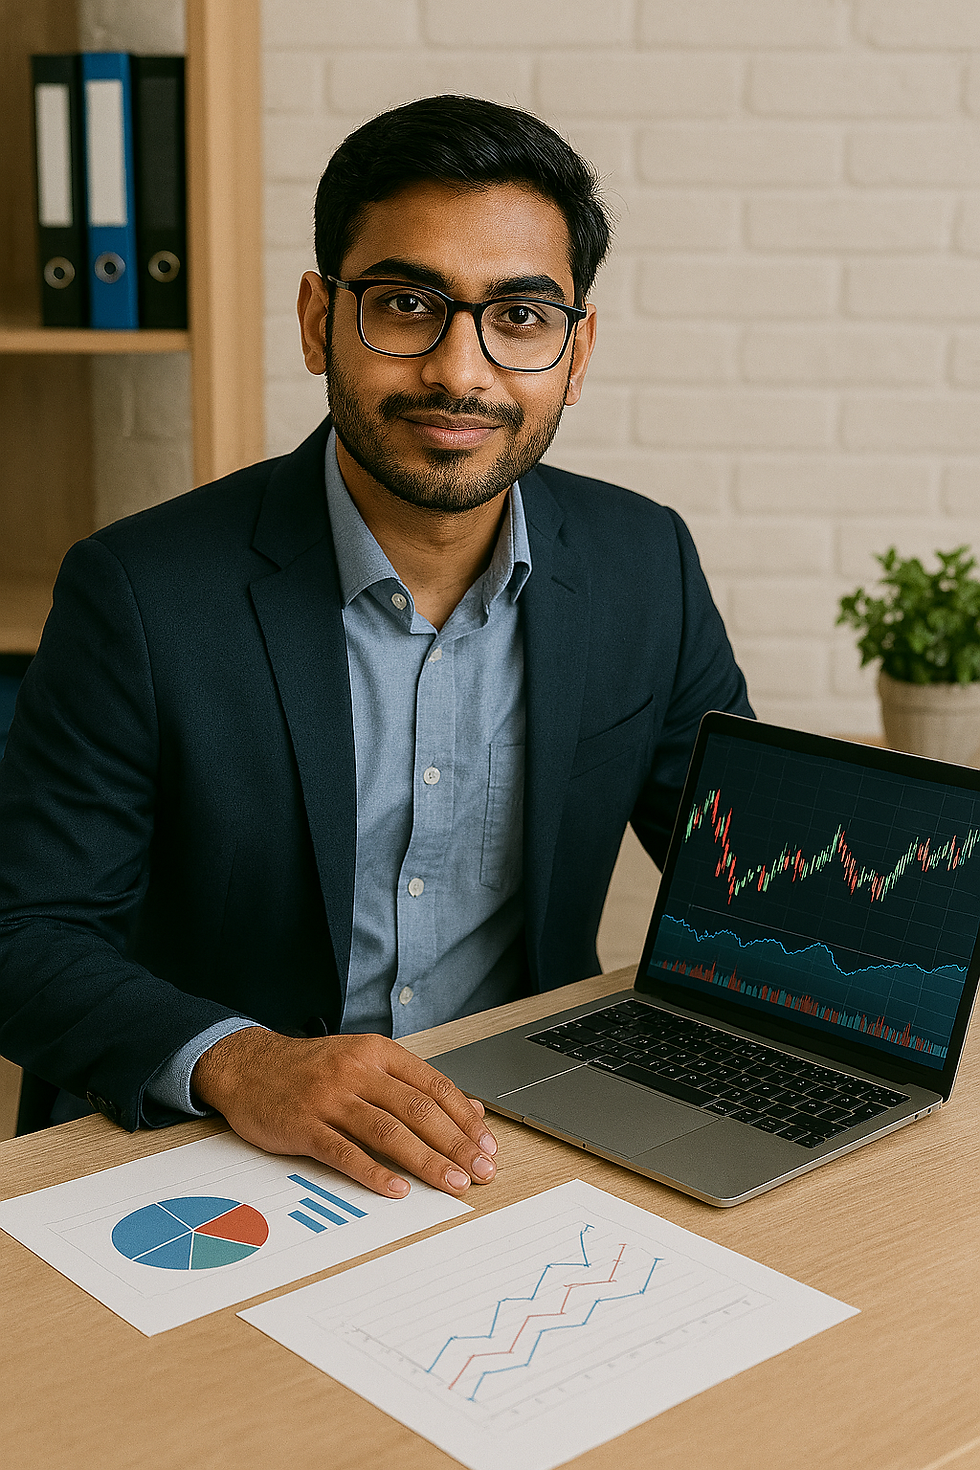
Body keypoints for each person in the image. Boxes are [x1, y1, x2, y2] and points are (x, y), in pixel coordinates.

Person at [0, 96, 751, 1199]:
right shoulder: (141, 593)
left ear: (575, 350)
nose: (460, 371)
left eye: (520, 317)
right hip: (223, 1144)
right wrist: (239, 1060)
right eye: (405, 305)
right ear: (318, 319)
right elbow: (25, 931)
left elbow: (738, 872)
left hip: (531, 1132)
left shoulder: (646, 561)